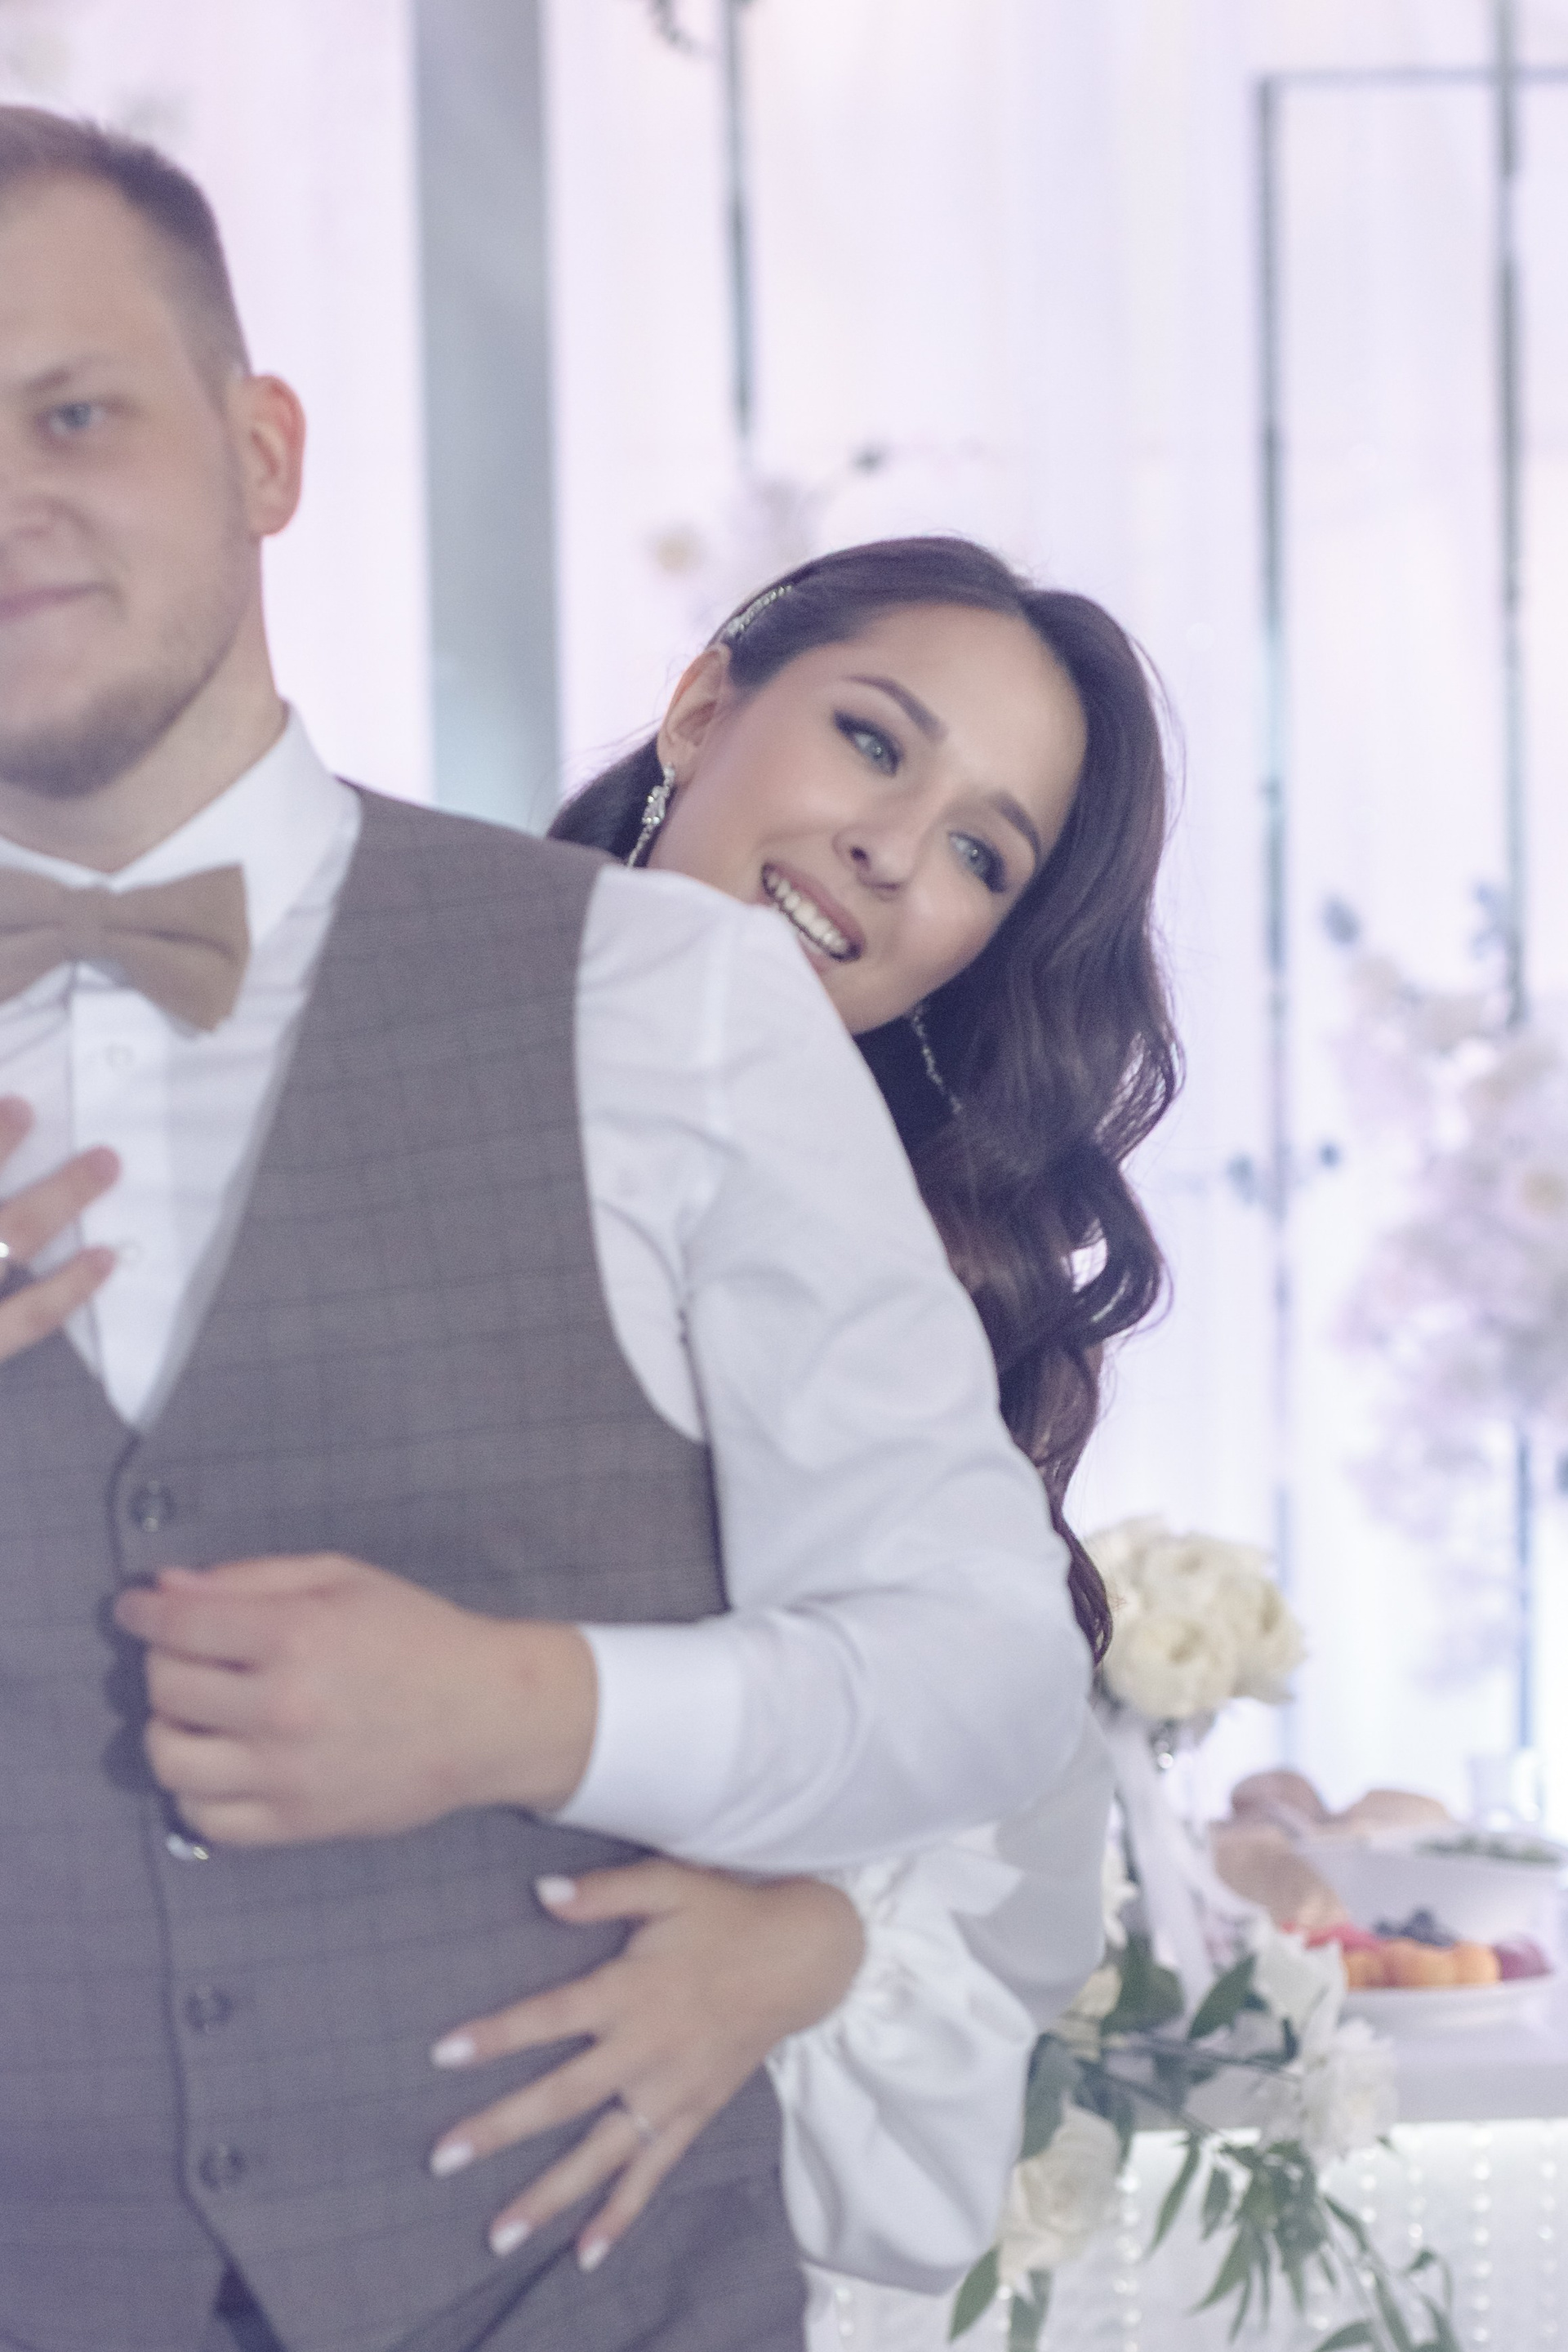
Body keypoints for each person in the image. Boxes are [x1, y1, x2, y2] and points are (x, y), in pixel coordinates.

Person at [0, 107, 1100, 2352]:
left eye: (73, 413)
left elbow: (987, 1665)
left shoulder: (665, 998)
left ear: (264, 448)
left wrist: (530, 1707)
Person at [404, 538, 1177, 2336]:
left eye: (982, 854)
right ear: (701, 709)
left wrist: (821, 1946)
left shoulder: (915, 1296)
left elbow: (991, 1827)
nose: (893, 849)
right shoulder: (376, 1048)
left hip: (632, 2215)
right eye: (874, 742)